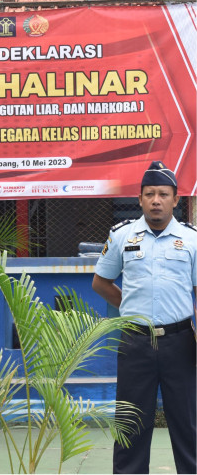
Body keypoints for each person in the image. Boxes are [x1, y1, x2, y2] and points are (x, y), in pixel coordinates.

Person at [92, 160, 196, 474]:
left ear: (176, 200)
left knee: (187, 423)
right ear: (139, 199)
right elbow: (101, 282)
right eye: (149, 194)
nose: (156, 200)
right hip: (135, 342)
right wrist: (129, 308)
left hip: (180, 343)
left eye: (163, 194)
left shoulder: (192, 239)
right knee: (131, 424)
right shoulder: (122, 236)